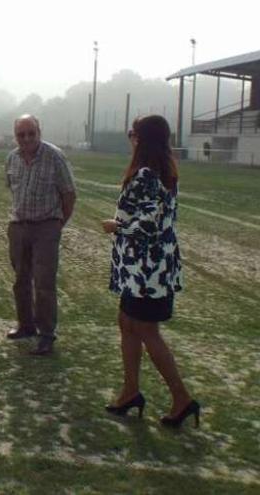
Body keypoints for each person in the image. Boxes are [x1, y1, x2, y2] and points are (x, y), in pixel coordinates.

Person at [101, 115, 200, 427]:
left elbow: (150, 223)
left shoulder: (148, 173)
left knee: (146, 330)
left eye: (133, 133)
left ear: (143, 139)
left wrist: (118, 226)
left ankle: (182, 398)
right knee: (127, 322)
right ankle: (130, 391)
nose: (130, 138)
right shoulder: (164, 170)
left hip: (147, 270)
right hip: (146, 268)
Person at [5, 115, 76, 355]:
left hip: (46, 226)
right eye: (21, 134)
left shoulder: (54, 156)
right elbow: (12, 189)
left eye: (31, 133)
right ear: (16, 136)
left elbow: (69, 194)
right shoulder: (12, 158)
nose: (26, 139)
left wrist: (57, 224)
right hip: (18, 226)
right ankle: (26, 326)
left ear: (39, 131)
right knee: (21, 280)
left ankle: (46, 334)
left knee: (44, 283)